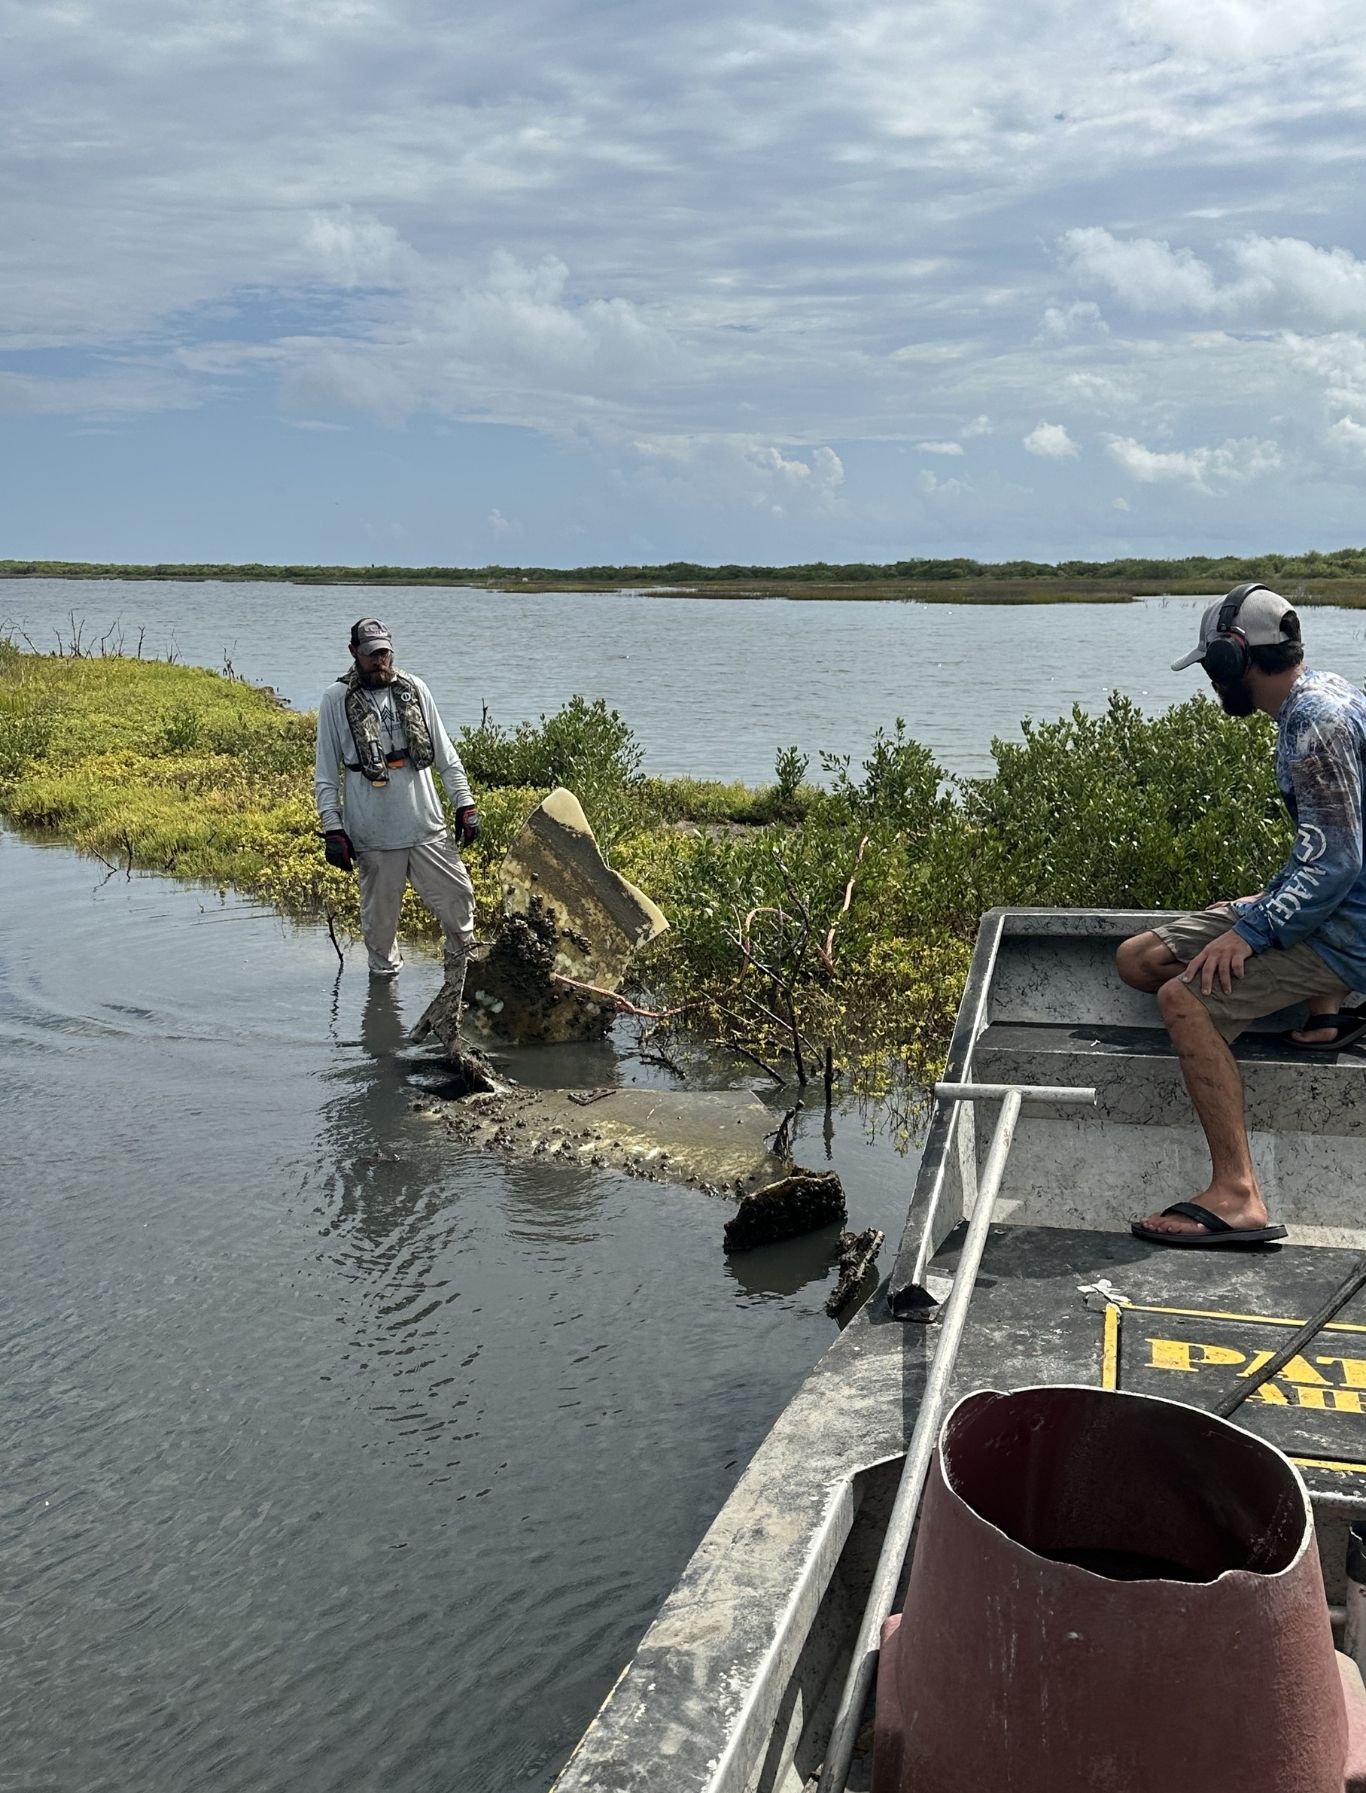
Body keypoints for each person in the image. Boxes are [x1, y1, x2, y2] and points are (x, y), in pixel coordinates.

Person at [1115, 582, 1366, 1247]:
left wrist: (1253, 932)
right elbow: (1327, 845)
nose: (1211, 680)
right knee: (1141, 960)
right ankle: (1328, 1010)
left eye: (1212, 665)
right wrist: (1262, 901)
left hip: (1350, 927)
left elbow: (1337, 863)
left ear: (1235, 658)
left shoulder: (1316, 723)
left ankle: (1237, 1194)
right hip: (1338, 905)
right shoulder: (1323, 696)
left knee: (1182, 1000)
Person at [314, 617, 479, 1019]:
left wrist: (465, 803)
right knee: (380, 932)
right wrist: (333, 828)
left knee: (460, 908)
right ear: (354, 653)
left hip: (427, 828)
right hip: (373, 837)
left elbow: (446, 755)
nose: (379, 661)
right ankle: (383, 1019)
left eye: (384, 653)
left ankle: (461, 994)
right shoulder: (335, 700)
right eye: (371, 654)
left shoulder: (415, 688)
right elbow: (326, 775)